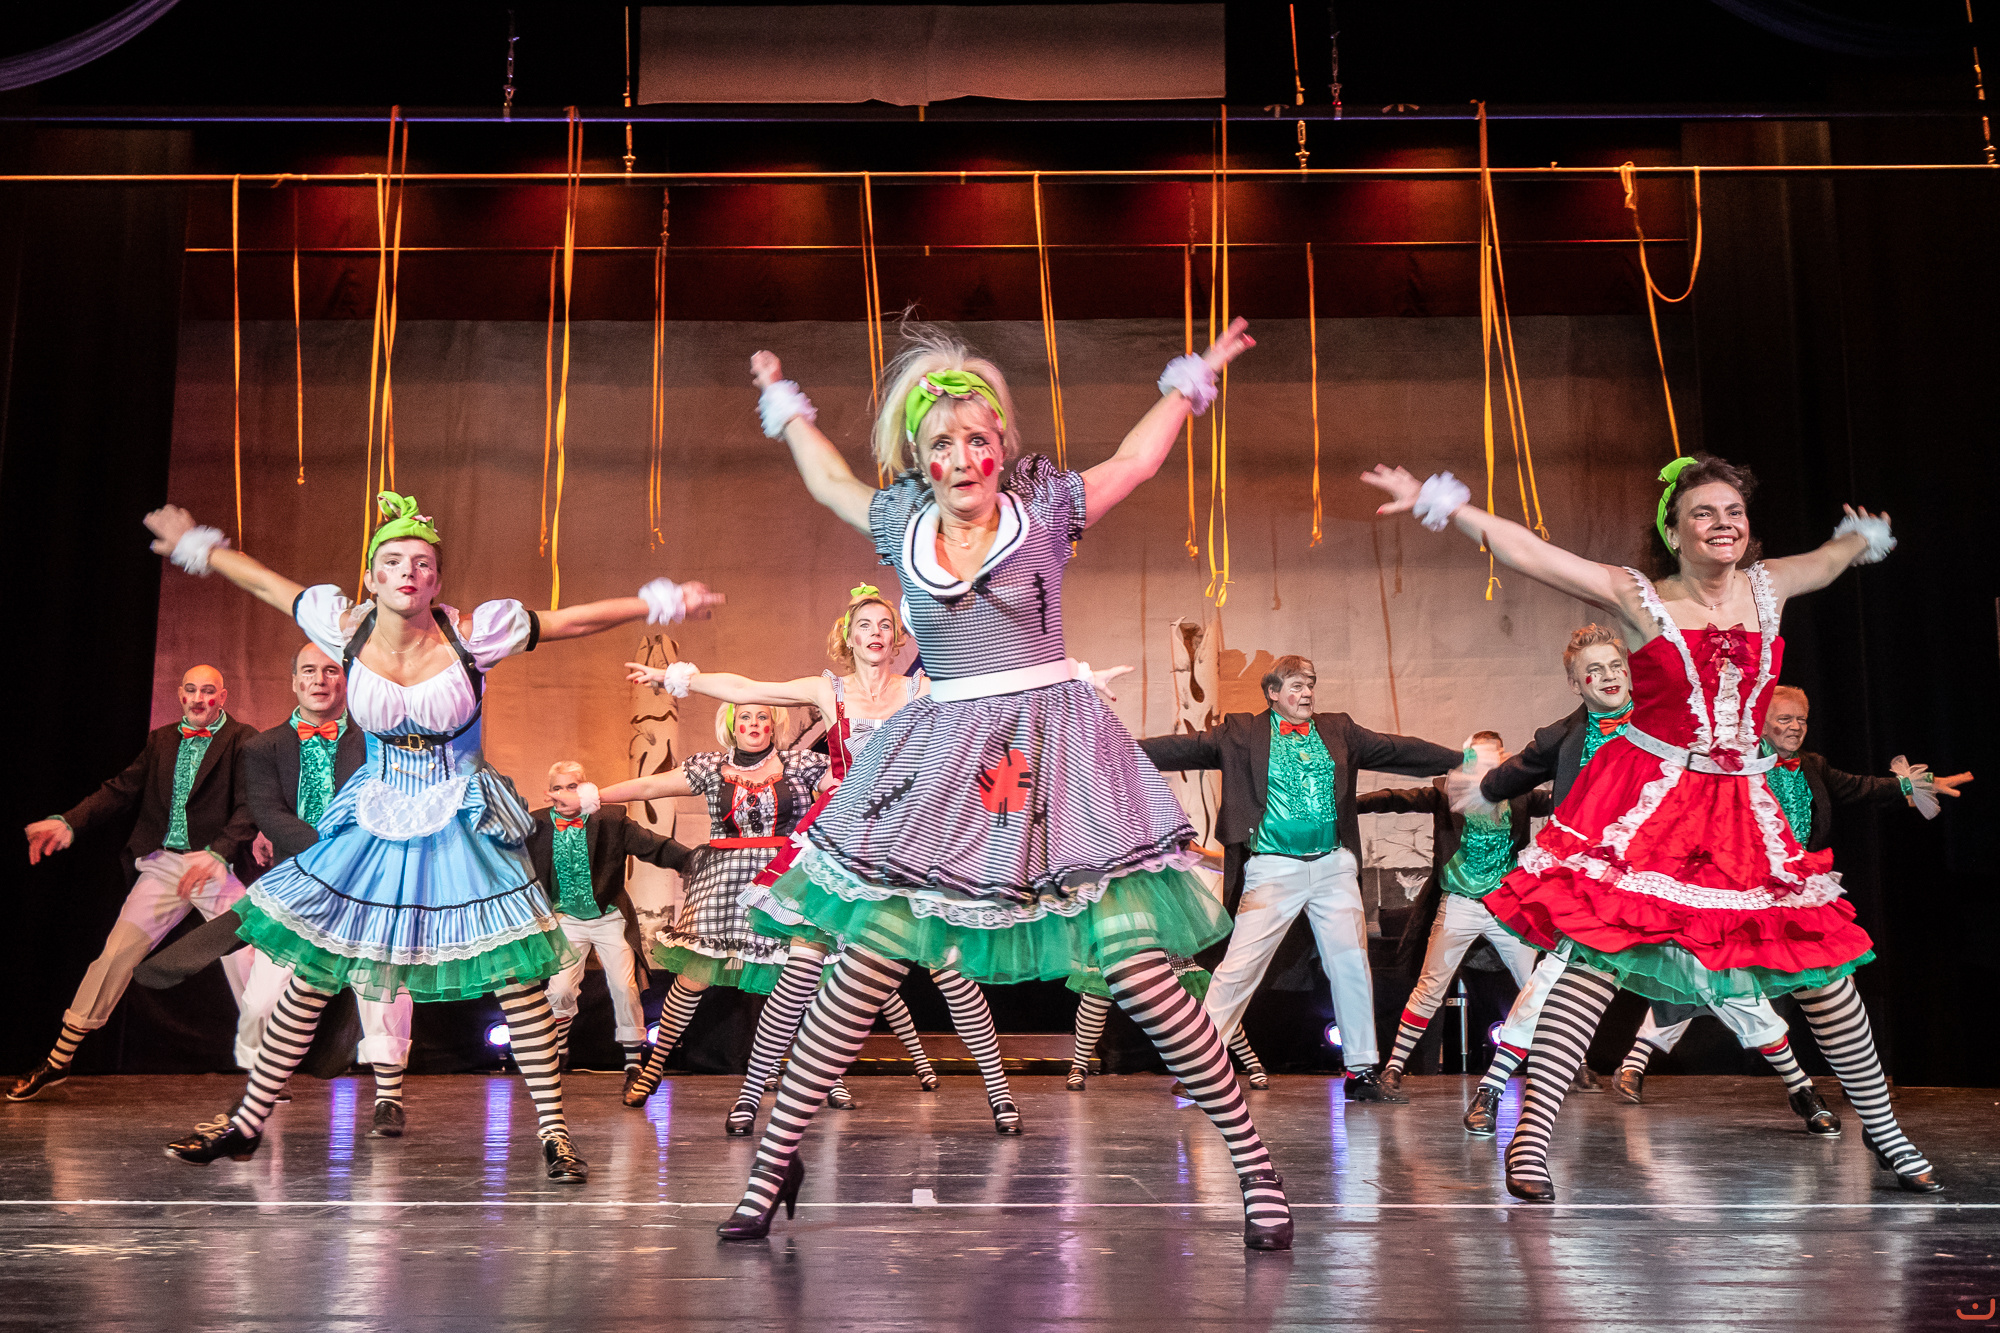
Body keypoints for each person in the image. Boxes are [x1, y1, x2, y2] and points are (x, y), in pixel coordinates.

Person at [717, 318, 1294, 1250]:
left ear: (999, 443)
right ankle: (774, 1162)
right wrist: (784, 404)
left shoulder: (1045, 507)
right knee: (859, 965)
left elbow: (1135, 461)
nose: (962, 458)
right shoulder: (902, 522)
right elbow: (828, 481)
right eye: (941, 444)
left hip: (1055, 753)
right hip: (945, 758)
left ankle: (1256, 1166)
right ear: (921, 457)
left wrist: (1190, 382)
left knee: (1143, 971)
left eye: (976, 438)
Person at [1364, 452, 1940, 1197]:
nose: (1722, 524)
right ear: (1674, 531)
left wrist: (1860, 539)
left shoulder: (1767, 587)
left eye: (1733, 512)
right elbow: (1531, 552)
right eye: (1703, 513)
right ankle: (1531, 1138)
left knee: (1822, 970)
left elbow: (1828, 560)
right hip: (1653, 802)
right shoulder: (1640, 596)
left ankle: (1884, 1129)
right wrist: (1440, 503)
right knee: (1591, 961)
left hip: (1742, 813)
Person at [142, 489, 720, 1182]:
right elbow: (269, 584)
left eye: (422, 562)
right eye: (393, 561)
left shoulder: (473, 634)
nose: (408, 572)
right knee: (315, 970)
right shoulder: (344, 626)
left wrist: (657, 601)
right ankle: (246, 1122)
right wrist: (198, 547)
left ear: (436, 579)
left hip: (457, 819)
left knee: (516, 980)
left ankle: (555, 1134)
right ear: (372, 577)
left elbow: (569, 620)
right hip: (376, 819)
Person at [625, 584, 1019, 1136]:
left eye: (885, 624)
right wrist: (676, 678)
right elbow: (746, 688)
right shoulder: (827, 690)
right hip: (844, 841)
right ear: (848, 638)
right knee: (800, 970)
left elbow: (999, 686)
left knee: (950, 971)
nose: (876, 633)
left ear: (898, 637)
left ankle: (1000, 1096)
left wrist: (1079, 680)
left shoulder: (923, 688)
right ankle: (751, 1097)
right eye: (865, 625)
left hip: (909, 840)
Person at [1611, 684, 1970, 1121]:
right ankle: (1649, 1063)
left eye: (1801, 720)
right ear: (1761, 724)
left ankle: (1856, 1082)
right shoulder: (1739, 764)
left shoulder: (1812, 765)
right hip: (1745, 890)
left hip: (1799, 893)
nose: (1795, 727)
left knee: (1823, 978)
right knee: (1714, 978)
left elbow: (1860, 787)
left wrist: (1913, 785)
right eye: (1784, 719)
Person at [1139, 656, 1464, 1103]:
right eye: (1295, 685)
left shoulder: (1338, 729)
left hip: (1333, 866)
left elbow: (1396, 750)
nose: (1306, 692)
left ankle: (1360, 1071)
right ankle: (1200, 1069)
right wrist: (1113, 747)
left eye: (1310, 684)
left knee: (1350, 965)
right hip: (1274, 867)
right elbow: (1182, 748)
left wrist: (1461, 760)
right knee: (1239, 968)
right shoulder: (1242, 732)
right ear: (1272, 692)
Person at [12, 665, 263, 1102]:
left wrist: (219, 850)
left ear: (222, 697)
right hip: (164, 864)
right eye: (191, 690)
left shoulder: (242, 739)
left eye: (207, 691)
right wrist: (68, 822)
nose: (198, 698)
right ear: (180, 695)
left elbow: (251, 805)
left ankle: (266, 1071)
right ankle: (58, 1059)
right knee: (115, 955)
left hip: (214, 867)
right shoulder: (162, 739)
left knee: (250, 959)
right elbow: (119, 790)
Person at [236, 643, 415, 1136]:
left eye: (331, 670)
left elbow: (389, 802)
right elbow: (268, 812)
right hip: (297, 883)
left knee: (382, 989)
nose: (319, 679)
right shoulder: (263, 747)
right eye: (309, 671)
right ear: (294, 681)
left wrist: (353, 857)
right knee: (261, 999)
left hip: (367, 882)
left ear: (345, 681)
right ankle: (260, 1084)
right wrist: (325, 854)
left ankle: (388, 1096)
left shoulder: (375, 743)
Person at [1357, 731, 1554, 1103]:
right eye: (1474, 759)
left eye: (1489, 758)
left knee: (1535, 985)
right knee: (1429, 987)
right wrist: (1348, 804)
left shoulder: (1521, 795)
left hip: (1505, 905)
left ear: (1503, 760)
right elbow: (1395, 799)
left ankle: (1569, 1065)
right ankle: (1394, 1067)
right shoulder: (1446, 793)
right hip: (1460, 903)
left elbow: (1565, 799)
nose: (1481, 766)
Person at [524, 761, 694, 1096]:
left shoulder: (610, 820)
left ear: (586, 789)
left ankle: (633, 1064)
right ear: (549, 792)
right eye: (558, 788)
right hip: (566, 919)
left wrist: (695, 862)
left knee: (623, 986)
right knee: (560, 989)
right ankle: (560, 1050)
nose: (565, 794)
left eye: (573, 786)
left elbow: (654, 845)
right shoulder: (538, 824)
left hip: (609, 917)